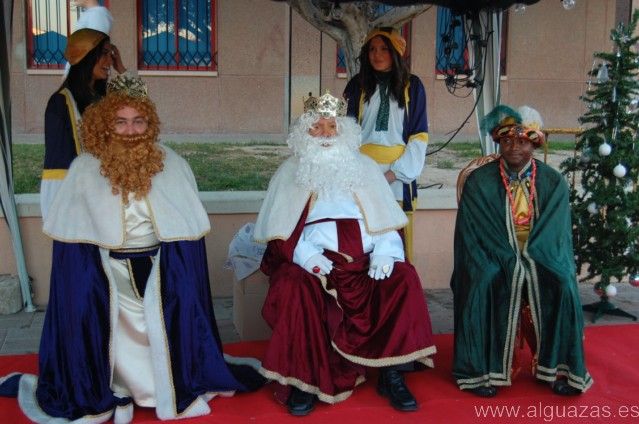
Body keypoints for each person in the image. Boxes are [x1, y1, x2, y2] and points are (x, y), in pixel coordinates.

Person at [0, 74, 258, 422]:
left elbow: (187, 239)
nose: (130, 130)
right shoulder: (84, 169)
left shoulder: (172, 164)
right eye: (120, 122)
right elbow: (71, 251)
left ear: (150, 124)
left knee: (175, 304)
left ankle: (161, 386)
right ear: (106, 124)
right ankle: (115, 385)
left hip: (159, 269)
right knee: (95, 311)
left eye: (138, 121)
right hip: (105, 273)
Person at [253, 92, 436, 416]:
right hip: (316, 263)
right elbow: (280, 230)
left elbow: (386, 219)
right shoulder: (289, 172)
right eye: (317, 127)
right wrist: (305, 255)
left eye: (332, 127)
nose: (325, 134)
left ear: (344, 132)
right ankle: (303, 380)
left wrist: (385, 251)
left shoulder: (365, 167)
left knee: (403, 277)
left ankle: (391, 372)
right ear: (304, 133)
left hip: (365, 261)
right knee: (293, 285)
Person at [451, 105, 592, 398]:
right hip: (491, 253)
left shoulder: (552, 181)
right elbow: (472, 234)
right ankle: (482, 370)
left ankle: (559, 369)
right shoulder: (479, 181)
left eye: (522, 141)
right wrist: (508, 258)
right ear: (498, 143)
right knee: (484, 279)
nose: (514, 147)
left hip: (541, 253)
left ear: (534, 144)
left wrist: (528, 257)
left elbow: (556, 234)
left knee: (561, 283)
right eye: (506, 141)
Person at [343, 27, 428, 261]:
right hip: (363, 170)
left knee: (396, 238)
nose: (377, 55)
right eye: (372, 49)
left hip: (397, 175)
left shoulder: (413, 86)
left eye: (383, 49)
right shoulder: (358, 85)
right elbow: (348, 131)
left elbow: (419, 136)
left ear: (395, 53)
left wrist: (392, 175)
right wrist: (354, 171)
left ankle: (398, 283)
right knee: (363, 235)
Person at [41, 27, 126, 219]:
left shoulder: (104, 97)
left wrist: (122, 69)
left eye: (111, 54)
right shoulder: (60, 103)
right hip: (77, 203)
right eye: (104, 53)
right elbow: (58, 167)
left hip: (105, 195)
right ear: (86, 56)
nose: (110, 61)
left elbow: (141, 112)